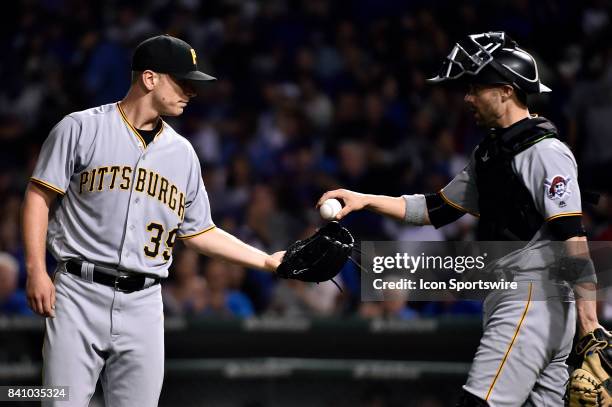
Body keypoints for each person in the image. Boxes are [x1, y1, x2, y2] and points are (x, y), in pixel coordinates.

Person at [319, 32, 604, 406]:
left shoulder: (544, 151)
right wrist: (364, 200)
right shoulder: (494, 151)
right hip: (522, 299)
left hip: (531, 297)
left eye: (477, 88)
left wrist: (590, 322)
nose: (468, 97)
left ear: (505, 90)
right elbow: (436, 209)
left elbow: (573, 236)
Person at [22, 34, 283, 407]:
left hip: (145, 303)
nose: (191, 92)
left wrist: (266, 261)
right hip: (79, 291)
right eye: (183, 82)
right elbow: (38, 197)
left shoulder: (183, 153)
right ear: (150, 78)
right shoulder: (80, 128)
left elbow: (200, 231)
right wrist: (36, 269)